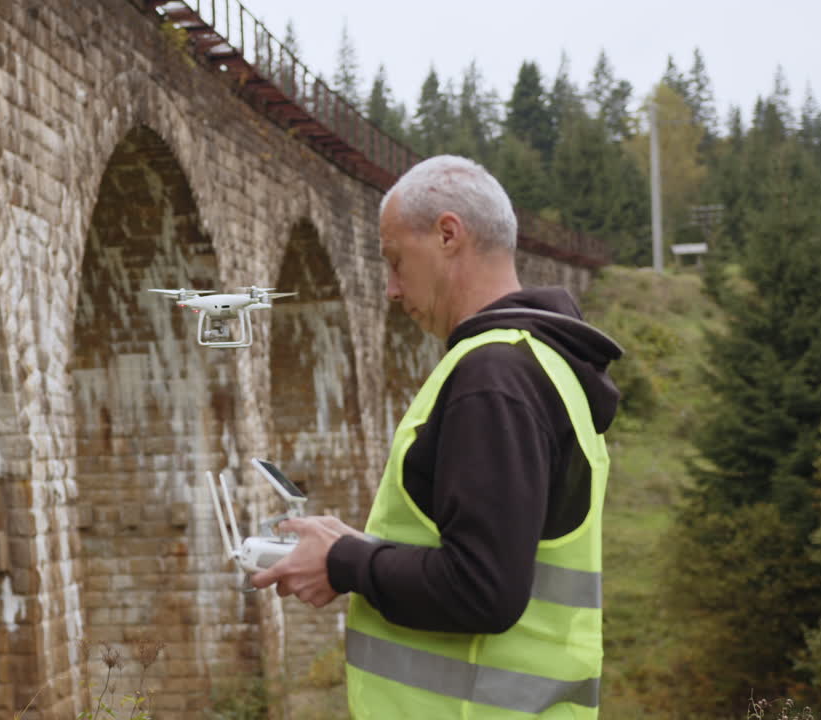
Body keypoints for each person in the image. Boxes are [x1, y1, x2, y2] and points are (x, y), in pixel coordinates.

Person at [251, 155, 622, 719]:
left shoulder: (492, 377)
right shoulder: (541, 363)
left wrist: (347, 563)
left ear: (448, 235)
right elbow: (492, 549)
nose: (392, 290)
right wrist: (357, 549)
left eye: (396, 261)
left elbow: (482, 589)